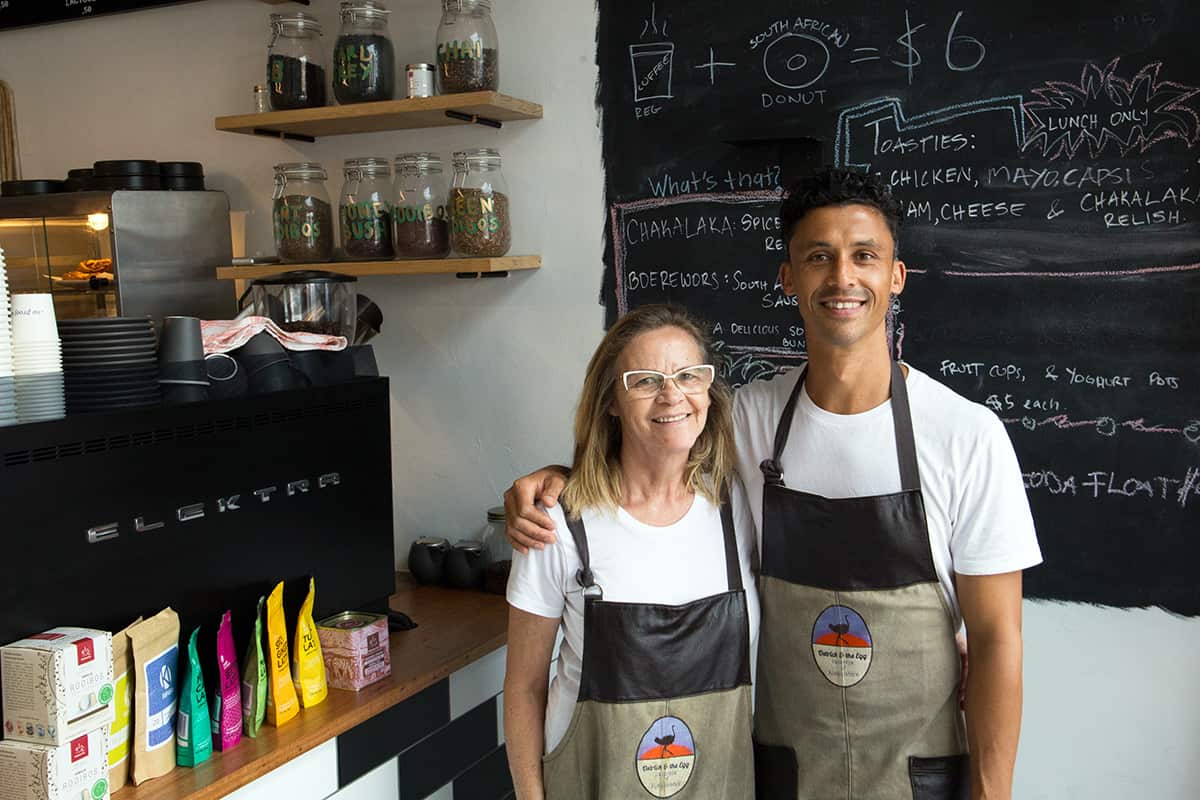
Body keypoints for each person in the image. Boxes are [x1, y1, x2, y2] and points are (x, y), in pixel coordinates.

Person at [504, 168, 1042, 800]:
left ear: (896, 277)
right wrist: (561, 480)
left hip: (918, 773)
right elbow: (657, 446)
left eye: (864, 256)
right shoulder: (751, 419)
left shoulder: (966, 435)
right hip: (784, 772)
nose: (843, 277)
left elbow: (998, 639)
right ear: (789, 279)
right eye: (819, 257)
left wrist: (991, 792)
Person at [503, 304, 760, 800]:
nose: (672, 395)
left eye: (689, 375)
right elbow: (524, 689)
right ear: (612, 402)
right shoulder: (556, 522)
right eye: (645, 380)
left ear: (708, 390)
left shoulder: (739, 509)